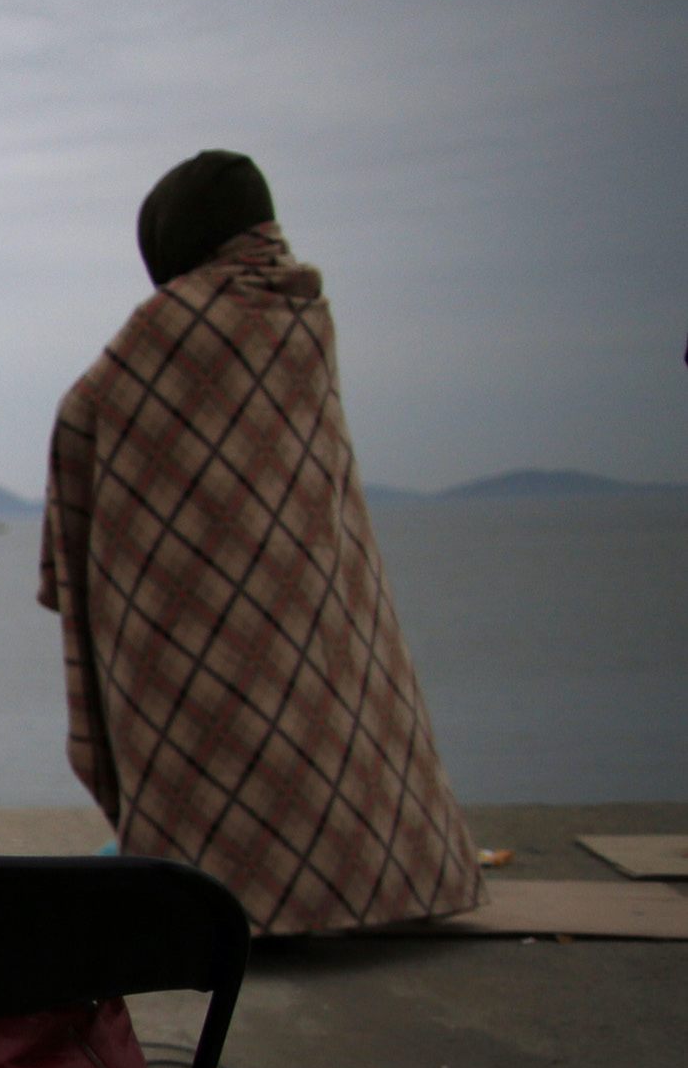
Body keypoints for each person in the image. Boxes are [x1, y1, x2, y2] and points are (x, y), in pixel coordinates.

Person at [40, 150, 482, 936]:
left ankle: (229, 900)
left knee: (220, 724)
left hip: (196, 600)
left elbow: (87, 413)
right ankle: (383, 883)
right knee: (337, 702)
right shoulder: (301, 306)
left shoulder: (174, 322)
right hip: (314, 575)